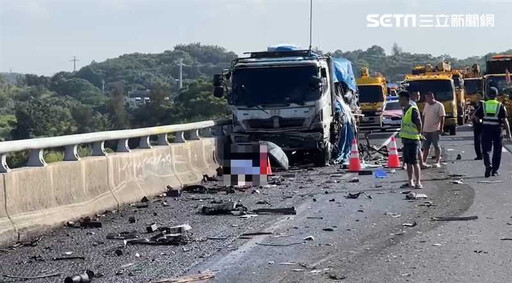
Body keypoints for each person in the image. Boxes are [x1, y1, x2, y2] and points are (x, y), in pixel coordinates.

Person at [473, 87, 512, 177]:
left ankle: (488, 165)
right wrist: (508, 133)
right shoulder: (500, 105)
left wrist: (480, 122)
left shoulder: (483, 105)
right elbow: (505, 120)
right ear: (496, 95)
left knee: (486, 149)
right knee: (497, 151)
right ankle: (494, 170)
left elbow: (475, 116)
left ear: (487, 95)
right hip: (497, 130)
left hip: (486, 129)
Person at [399, 91, 423, 189]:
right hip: (406, 140)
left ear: (405, 99)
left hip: (413, 140)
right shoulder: (405, 110)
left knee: (415, 162)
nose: (399, 101)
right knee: (408, 162)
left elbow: (419, 123)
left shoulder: (413, 110)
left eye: (400, 99)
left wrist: (418, 133)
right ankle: (410, 181)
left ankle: (418, 182)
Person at [421, 92, 446, 168]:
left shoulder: (439, 105)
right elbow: (423, 116)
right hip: (426, 129)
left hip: (435, 129)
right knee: (425, 147)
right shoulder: (426, 105)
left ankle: (437, 161)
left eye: (427, 98)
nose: (426, 100)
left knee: (436, 146)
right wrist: (422, 128)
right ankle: (423, 162)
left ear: (431, 97)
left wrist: (441, 128)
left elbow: (442, 117)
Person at [410, 91, 430, 169]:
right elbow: (417, 119)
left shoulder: (411, 104)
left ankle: (418, 163)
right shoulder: (412, 105)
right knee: (417, 147)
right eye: (417, 95)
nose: (419, 97)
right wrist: (420, 130)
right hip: (413, 131)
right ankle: (421, 164)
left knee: (413, 148)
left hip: (410, 131)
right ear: (413, 95)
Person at [471, 93, 484, 160]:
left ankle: (480, 155)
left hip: (479, 125)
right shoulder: (479, 106)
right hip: (481, 126)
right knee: (481, 141)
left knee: (478, 141)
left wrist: (476, 119)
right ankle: (481, 155)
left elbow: (475, 116)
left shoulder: (480, 106)